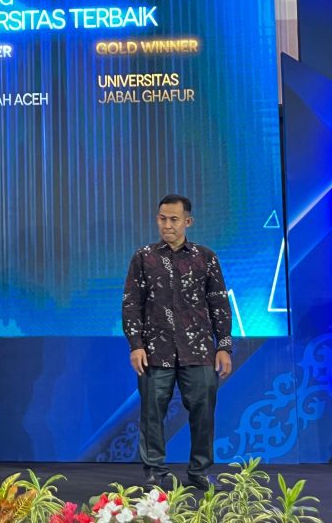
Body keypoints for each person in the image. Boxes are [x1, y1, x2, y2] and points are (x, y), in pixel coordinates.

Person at [122, 194, 233, 491]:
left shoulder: (205, 257)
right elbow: (132, 303)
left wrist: (223, 346)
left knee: (203, 411)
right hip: (155, 351)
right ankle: (155, 472)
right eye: (162, 218)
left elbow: (219, 304)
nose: (167, 225)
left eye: (173, 219)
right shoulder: (144, 257)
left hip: (198, 350)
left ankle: (199, 470)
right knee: (151, 413)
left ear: (187, 221)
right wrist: (136, 344)